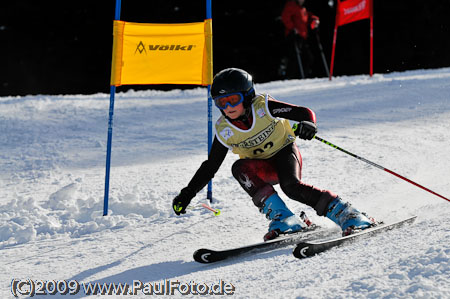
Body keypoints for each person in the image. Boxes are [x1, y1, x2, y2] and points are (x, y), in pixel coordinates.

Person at [172, 68, 375, 241]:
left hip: (285, 153)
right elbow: (210, 166)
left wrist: (308, 125)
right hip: (262, 168)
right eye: (221, 103)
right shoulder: (224, 129)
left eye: (233, 100)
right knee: (239, 168)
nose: (227, 108)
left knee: (291, 187)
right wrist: (187, 193)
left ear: (248, 95)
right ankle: (285, 219)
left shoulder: (264, 107)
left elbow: (304, 112)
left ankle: (348, 214)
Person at [280, 0, 320, 79]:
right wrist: (292, 28)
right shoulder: (291, 4)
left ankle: (302, 76)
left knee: (308, 57)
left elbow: (308, 16)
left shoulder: (302, 8)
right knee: (294, 57)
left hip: (302, 36)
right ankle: (290, 77)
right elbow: (285, 17)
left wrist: (314, 19)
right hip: (293, 35)